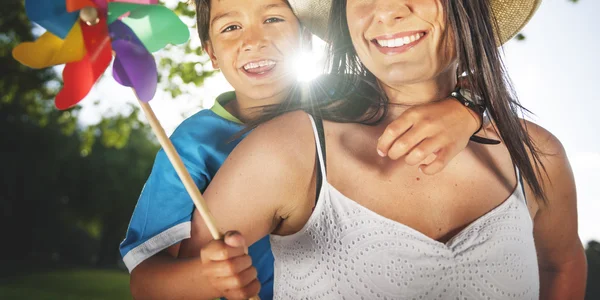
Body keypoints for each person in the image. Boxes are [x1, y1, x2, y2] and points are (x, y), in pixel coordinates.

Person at [170, 0, 587, 299]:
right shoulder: (287, 149)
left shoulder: (538, 154)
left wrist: (470, 107)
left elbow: (562, 265)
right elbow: (179, 281)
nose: (385, 10)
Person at [122, 0, 486, 299]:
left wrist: (465, 110)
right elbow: (145, 282)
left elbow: (440, 80)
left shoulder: (348, 98)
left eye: (273, 18)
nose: (254, 41)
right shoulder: (191, 146)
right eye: (230, 28)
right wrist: (207, 277)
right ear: (211, 54)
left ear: (307, 39)